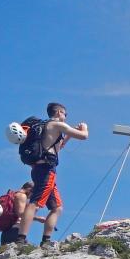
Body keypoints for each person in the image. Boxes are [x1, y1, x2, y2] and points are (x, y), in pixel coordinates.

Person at [16, 102, 88, 248]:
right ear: (59, 112)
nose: (66, 117)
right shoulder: (57, 125)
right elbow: (84, 136)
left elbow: (57, 147)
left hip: (39, 168)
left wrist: (68, 135)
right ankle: (21, 239)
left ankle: (46, 241)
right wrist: (84, 127)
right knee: (35, 203)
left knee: (57, 207)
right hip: (46, 169)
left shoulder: (45, 127)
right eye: (65, 114)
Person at [0, 181, 46, 246]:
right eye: (33, 192)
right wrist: (39, 218)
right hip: (15, 231)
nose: (32, 195)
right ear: (29, 189)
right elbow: (20, 213)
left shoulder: (14, 195)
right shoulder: (22, 196)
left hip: (7, 232)